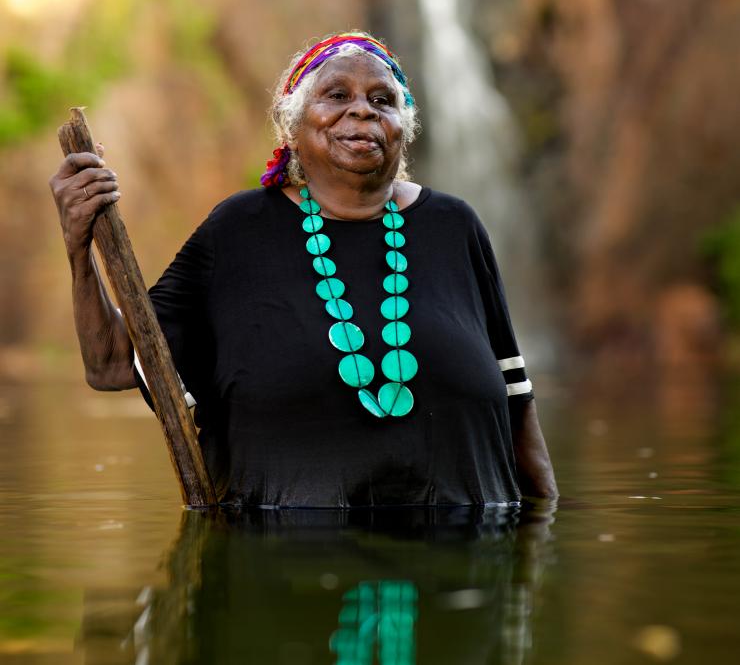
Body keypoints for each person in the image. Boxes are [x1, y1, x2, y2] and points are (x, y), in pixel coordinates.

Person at [49, 31, 557, 508]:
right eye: (337, 95)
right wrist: (80, 250)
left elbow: (517, 403)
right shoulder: (238, 232)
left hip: (464, 575)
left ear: (406, 127)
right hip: (283, 570)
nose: (362, 108)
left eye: (383, 100)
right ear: (292, 127)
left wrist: (543, 536)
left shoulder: (455, 227)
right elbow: (113, 364)